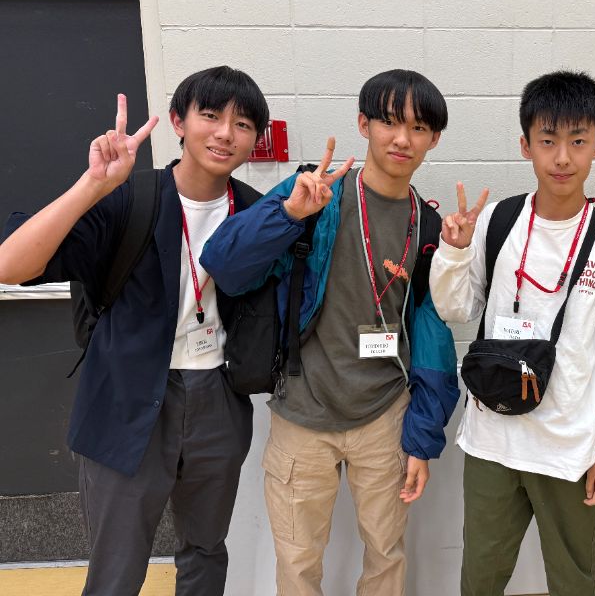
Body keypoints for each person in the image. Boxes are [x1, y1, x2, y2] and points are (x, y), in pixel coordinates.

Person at [0, 66, 270, 594]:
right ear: (178, 122)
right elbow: (11, 266)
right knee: (117, 567)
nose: (224, 133)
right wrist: (93, 185)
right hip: (126, 398)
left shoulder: (255, 212)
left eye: (242, 124)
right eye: (210, 116)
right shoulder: (129, 199)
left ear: (254, 138)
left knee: (206, 550)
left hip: (218, 397)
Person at [200, 69, 460, 596]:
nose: (402, 139)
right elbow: (223, 264)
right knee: (298, 563)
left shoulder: (429, 227)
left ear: (434, 138)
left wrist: (423, 435)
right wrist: (288, 214)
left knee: (386, 554)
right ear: (364, 125)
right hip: (302, 411)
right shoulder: (315, 194)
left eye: (418, 127)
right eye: (389, 122)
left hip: (385, 415)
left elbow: (432, 336)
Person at [429, 70, 595, 596]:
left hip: (569, 448)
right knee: (480, 578)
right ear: (525, 145)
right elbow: (456, 308)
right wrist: (454, 251)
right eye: (548, 141)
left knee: (576, 579)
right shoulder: (498, 222)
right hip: (491, 439)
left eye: (578, 141)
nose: (562, 158)